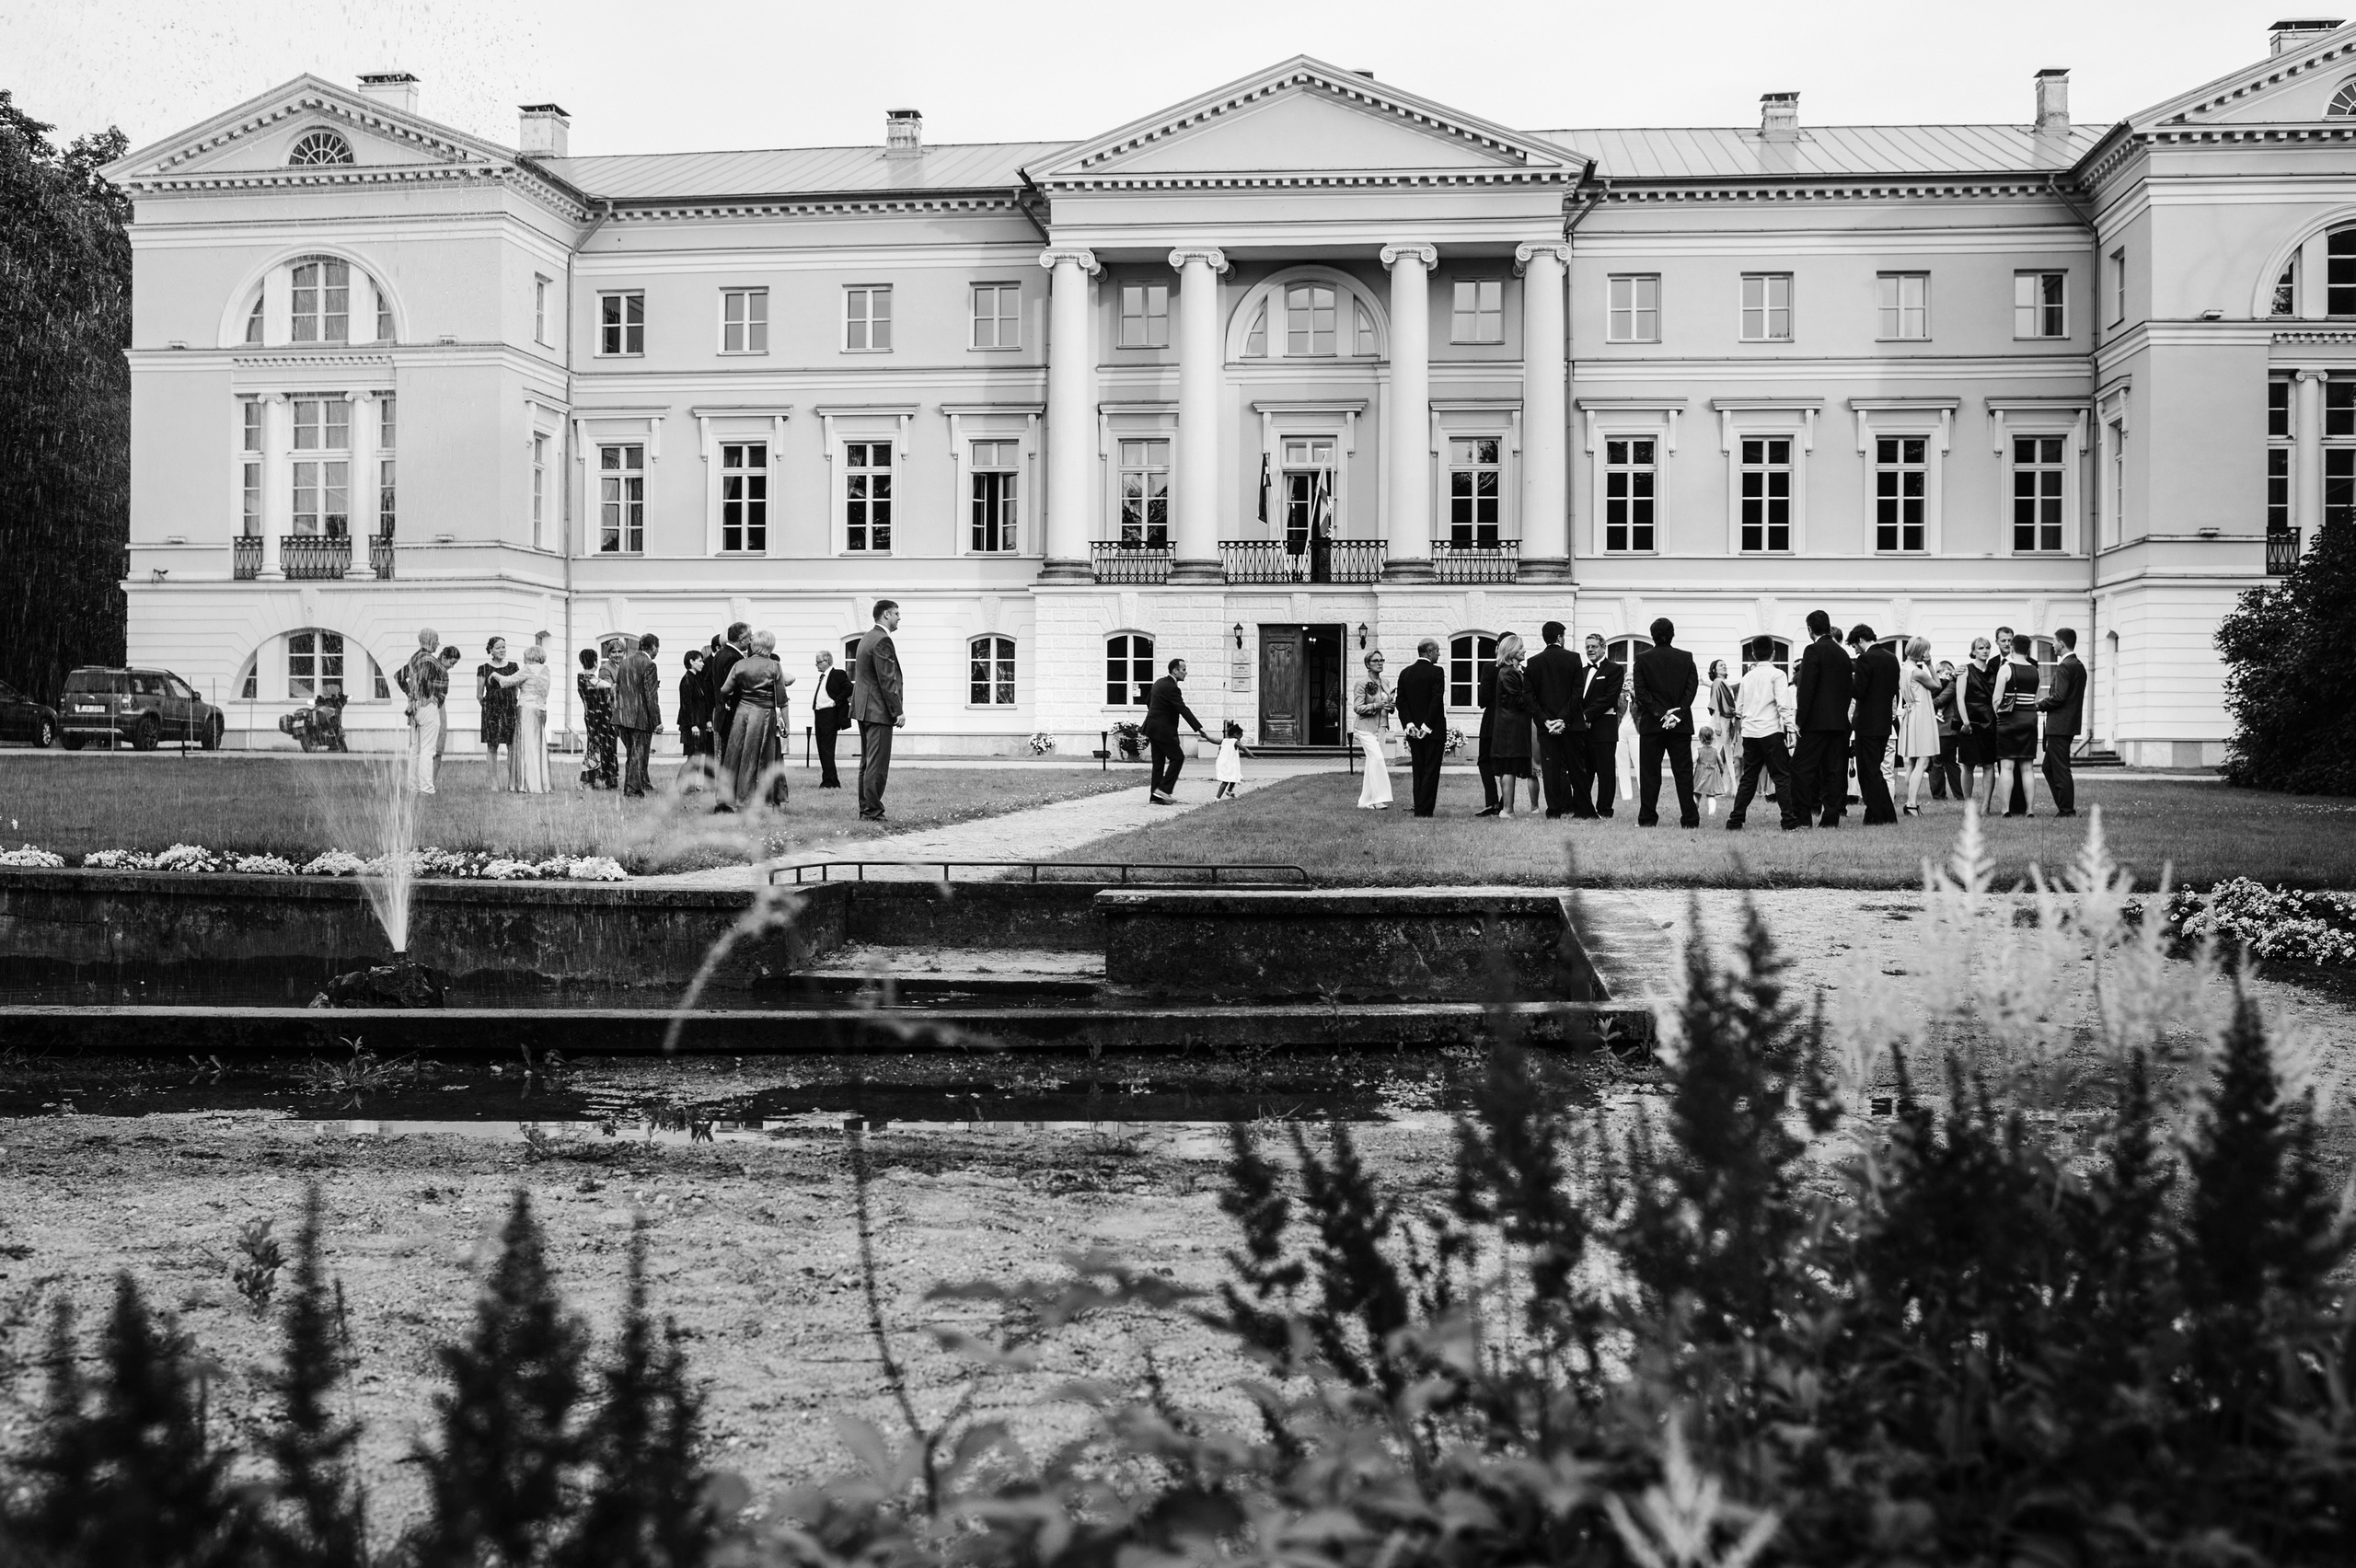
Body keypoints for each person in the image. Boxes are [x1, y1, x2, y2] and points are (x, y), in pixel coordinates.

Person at [1632, 617, 1701, 828]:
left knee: (1650, 774)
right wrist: (1676, 715)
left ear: (1652, 635)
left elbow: (1641, 692)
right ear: (1673, 634)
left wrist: (1661, 714)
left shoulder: (1642, 659)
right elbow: (1691, 689)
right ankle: (1690, 818)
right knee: (1683, 774)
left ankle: (1647, 818)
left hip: (1652, 725)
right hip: (1680, 726)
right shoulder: (1686, 658)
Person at [1725, 636, 1797, 832]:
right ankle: (1788, 820)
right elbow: (1783, 705)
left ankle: (1735, 820)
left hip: (1750, 732)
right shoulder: (1778, 675)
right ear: (1773, 653)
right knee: (1781, 777)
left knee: (1749, 777)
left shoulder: (1747, 677)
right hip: (1771, 731)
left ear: (1753, 654)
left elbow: (1739, 708)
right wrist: (1791, 727)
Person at [1791, 610, 1854, 828]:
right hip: (1838, 722)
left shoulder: (1813, 650)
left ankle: (1802, 818)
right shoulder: (1843, 654)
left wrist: (1800, 720)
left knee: (1800, 768)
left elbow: (1806, 687)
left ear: (1810, 629)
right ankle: (1831, 818)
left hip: (1816, 723)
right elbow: (1848, 690)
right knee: (1833, 772)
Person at [718, 630, 794, 809]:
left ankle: (735, 798)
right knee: (763, 757)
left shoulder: (740, 664)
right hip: (765, 714)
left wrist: (736, 697)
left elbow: (724, 689)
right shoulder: (774, 666)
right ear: (770, 645)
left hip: (742, 713)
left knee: (736, 755)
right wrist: (787, 726)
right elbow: (782, 700)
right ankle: (762, 800)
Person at [1525, 620, 1591, 818]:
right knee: (1577, 768)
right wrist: (1562, 719)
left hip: (1547, 727)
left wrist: (1546, 721)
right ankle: (1583, 809)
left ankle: (1554, 810)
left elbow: (1529, 696)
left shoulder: (1534, 662)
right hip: (1571, 724)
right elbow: (1577, 692)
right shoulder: (1573, 659)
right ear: (1560, 637)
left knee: (1551, 769)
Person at [849, 600, 906, 822]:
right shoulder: (882, 640)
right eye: (897, 613)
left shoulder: (867, 637)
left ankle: (866, 809)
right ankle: (873, 812)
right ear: (886, 615)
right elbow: (887, 680)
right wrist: (897, 711)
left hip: (864, 709)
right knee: (877, 764)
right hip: (877, 710)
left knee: (867, 762)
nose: (899, 618)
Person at [1478, 633, 1536, 817]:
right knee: (1508, 767)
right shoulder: (1508, 673)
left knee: (1509, 767)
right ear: (1511, 651)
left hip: (1513, 725)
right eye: (1520, 648)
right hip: (1510, 727)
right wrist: (1535, 700)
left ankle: (1507, 809)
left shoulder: (1514, 671)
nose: (1524, 650)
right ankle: (1507, 810)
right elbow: (1519, 700)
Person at [1848, 625, 1901, 826]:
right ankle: (1886, 814)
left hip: (1866, 722)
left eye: (1855, 645)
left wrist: (1849, 681)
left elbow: (1859, 691)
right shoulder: (1892, 658)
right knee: (1876, 770)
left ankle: (1876, 814)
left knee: (1868, 772)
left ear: (1861, 640)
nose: (1855, 650)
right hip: (1884, 722)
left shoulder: (1866, 659)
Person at [1143, 657, 1209, 802]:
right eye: (1184, 670)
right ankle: (1164, 790)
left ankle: (1155, 796)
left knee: (1158, 763)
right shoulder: (1172, 688)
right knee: (1178, 757)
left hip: (1151, 727)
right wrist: (1199, 728)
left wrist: (1157, 714)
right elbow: (1183, 709)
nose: (1186, 673)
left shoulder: (1159, 683)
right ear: (1175, 671)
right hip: (1163, 729)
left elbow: (1148, 701)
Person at [1395, 638, 1448, 818]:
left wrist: (1410, 725)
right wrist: (1426, 726)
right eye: (1438, 651)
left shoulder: (1405, 673)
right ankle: (1425, 811)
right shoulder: (1437, 672)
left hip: (1413, 731)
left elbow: (1400, 702)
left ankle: (1419, 807)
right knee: (1431, 770)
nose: (1439, 654)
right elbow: (1436, 701)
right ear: (1429, 652)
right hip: (1433, 731)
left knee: (1418, 769)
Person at [1993, 633, 2043, 817]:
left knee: (2006, 767)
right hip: (2029, 719)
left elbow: (1997, 699)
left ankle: (2006, 809)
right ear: (2028, 649)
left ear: (2012, 648)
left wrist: (1997, 714)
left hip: (2009, 720)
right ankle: (2030, 810)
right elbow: (2036, 699)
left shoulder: (2006, 669)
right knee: (2027, 768)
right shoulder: (2035, 671)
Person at [2038, 628, 2086, 818]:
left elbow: (2058, 697)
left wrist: (2039, 705)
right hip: (2067, 723)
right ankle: (2064, 806)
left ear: (2062, 644)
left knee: (2060, 768)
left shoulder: (2065, 666)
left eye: (2054, 641)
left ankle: (2067, 810)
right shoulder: (2079, 665)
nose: (2052, 645)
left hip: (2060, 725)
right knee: (2048, 767)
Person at [494, 647, 552, 793]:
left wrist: (495, 675)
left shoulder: (527, 669)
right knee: (538, 746)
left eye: (525, 657)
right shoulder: (546, 670)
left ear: (530, 657)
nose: (524, 660)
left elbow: (508, 681)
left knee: (525, 746)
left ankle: (526, 783)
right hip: (541, 709)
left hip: (527, 708)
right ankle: (540, 783)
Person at [1581, 633, 1626, 818]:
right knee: (1584, 772)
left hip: (1603, 730)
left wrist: (1587, 715)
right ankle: (1583, 808)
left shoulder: (1614, 669)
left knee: (1605, 773)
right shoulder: (1582, 671)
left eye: (1594, 646)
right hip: (1582, 730)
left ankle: (1605, 810)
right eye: (1587, 647)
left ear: (1603, 647)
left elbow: (1609, 697)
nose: (1590, 650)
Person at [1895, 637, 1941, 817]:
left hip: (1911, 712)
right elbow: (1937, 685)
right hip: (1921, 714)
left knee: (1913, 762)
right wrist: (1930, 665)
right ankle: (1911, 803)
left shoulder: (1903, 669)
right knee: (1923, 761)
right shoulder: (1917, 671)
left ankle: (1910, 800)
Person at [399, 628, 448, 795]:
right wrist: (429, 696)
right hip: (427, 708)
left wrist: (412, 696)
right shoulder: (429, 660)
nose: (438, 644)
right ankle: (427, 789)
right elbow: (426, 680)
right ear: (430, 642)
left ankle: (413, 788)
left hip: (414, 708)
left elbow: (399, 676)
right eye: (437, 640)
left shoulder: (414, 658)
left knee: (415, 749)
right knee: (428, 749)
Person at [615, 633, 663, 798]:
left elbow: (619, 688)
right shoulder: (650, 665)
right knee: (638, 754)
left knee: (632, 754)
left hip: (623, 715)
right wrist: (657, 721)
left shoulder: (625, 662)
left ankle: (632, 787)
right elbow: (651, 696)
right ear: (654, 647)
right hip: (640, 717)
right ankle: (634, 791)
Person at [1351, 650, 1395, 811]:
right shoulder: (1361, 683)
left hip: (1382, 727)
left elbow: (1388, 705)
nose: (1380, 663)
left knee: (1372, 763)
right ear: (1368, 665)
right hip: (1366, 728)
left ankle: (1365, 801)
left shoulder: (1385, 682)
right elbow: (1357, 707)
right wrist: (1376, 706)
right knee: (1377, 760)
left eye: (1382, 660)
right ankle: (1379, 798)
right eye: (1376, 661)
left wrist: (1390, 707)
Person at [1957, 637, 1998, 808]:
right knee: (1967, 764)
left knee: (1989, 764)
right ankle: (1968, 803)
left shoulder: (1994, 671)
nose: (1985, 651)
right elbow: (1960, 697)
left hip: (1989, 719)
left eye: (1988, 647)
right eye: (1981, 648)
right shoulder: (1965, 670)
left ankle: (1986, 805)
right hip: (1970, 719)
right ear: (1973, 651)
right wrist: (1965, 722)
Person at [477, 637, 518, 790]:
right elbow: (479, 695)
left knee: (511, 745)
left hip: (509, 709)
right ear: (491, 650)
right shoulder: (483, 668)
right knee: (492, 746)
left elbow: (515, 689)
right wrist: (491, 706)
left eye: (504, 647)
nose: (502, 650)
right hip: (491, 710)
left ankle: (512, 782)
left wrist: (508, 703)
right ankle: (493, 783)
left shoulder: (513, 666)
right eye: (498, 648)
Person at [812, 650, 852, 789]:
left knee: (827, 749)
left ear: (827, 661)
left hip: (830, 714)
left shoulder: (837, 674)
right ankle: (832, 780)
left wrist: (836, 701)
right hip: (819, 714)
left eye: (819, 662)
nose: (816, 664)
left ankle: (829, 781)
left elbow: (849, 688)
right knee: (822, 749)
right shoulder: (822, 677)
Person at [708, 622, 749, 753]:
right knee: (731, 755)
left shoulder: (720, 653)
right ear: (742, 639)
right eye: (749, 638)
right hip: (731, 715)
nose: (750, 641)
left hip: (722, 713)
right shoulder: (734, 657)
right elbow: (731, 688)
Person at [676, 649, 713, 790]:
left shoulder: (697, 679)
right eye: (700, 660)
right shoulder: (686, 680)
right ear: (691, 662)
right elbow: (686, 705)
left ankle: (689, 787)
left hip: (699, 724)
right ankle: (680, 787)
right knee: (694, 758)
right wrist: (692, 725)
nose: (703, 663)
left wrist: (707, 721)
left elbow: (704, 703)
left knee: (696, 758)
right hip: (692, 726)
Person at [1930, 660, 1964, 802]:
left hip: (1946, 728)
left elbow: (1940, 700)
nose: (1947, 676)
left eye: (1950, 673)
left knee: (1937, 762)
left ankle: (1939, 795)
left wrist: (1924, 704)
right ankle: (1959, 794)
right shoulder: (1938, 686)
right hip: (1943, 728)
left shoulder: (1951, 685)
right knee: (1950, 762)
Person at [1706, 658, 1738, 779]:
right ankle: (1707, 781)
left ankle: (1731, 787)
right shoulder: (1717, 683)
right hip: (1720, 720)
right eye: (1721, 665)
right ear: (1714, 670)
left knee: (1727, 753)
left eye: (1725, 665)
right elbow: (1715, 704)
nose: (1724, 667)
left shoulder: (1722, 683)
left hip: (1728, 721)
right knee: (1714, 752)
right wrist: (1718, 724)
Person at [1692, 725, 1729, 817]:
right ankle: (1712, 812)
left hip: (1700, 774)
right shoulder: (1715, 751)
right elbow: (1720, 762)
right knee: (1711, 795)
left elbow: (1692, 761)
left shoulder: (1698, 751)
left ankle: (1694, 804)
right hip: (1712, 774)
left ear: (1700, 738)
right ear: (1713, 738)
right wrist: (1721, 771)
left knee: (1697, 792)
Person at [1214, 719, 1248, 799]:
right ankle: (1217, 798)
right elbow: (1244, 748)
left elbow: (1214, 740)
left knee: (1235, 776)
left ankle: (1229, 791)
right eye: (1240, 736)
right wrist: (1253, 756)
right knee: (1225, 781)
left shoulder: (1224, 740)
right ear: (1236, 735)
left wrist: (1206, 737)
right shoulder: (1235, 741)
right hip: (1227, 764)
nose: (1240, 739)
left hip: (1226, 763)